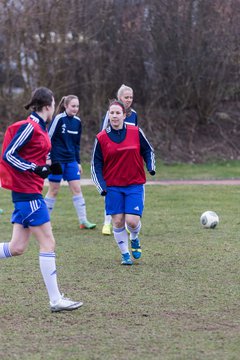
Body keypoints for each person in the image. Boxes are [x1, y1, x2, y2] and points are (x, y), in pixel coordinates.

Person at [0, 87, 83, 312]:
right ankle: (55, 300)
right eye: (54, 102)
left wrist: (46, 167)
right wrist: (35, 168)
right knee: (48, 243)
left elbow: (35, 155)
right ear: (48, 105)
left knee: (17, 247)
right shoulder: (30, 126)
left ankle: (56, 299)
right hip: (28, 194)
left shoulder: (41, 128)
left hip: (28, 193)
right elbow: (8, 154)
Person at [91, 99, 155, 265]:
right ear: (108, 115)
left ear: (124, 115)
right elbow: (95, 165)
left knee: (132, 221)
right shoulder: (101, 138)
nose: (114, 116)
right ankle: (125, 254)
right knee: (118, 221)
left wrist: (150, 166)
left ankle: (134, 237)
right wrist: (102, 187)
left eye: (117, 113)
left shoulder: (136, 131)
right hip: (113, 186)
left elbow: (148, 150)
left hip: (134, 184)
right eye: (111, 113)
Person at [44, 95, 96, 230]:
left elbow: (76, 144)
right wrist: (48, 158)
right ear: (66, 106)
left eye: (77, 106)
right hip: (57, 161)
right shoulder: (59, 119)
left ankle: (83, 221)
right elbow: (48, 138)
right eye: (73, 106)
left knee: (77, 189)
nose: (75, 109)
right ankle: (43, 221)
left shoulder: (78, 122)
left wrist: (78, 162)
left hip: (71, 161)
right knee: (54, 190)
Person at [101, 84, 138, 235]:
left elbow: (136, 136)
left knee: (127, 191)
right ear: (119, 98)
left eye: (131, 97)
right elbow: (103, 135)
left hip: (127, 162)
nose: (129, 100)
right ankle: (106, 223)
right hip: (112, 160)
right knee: (111, 191)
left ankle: (128, 224)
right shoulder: (112, 113)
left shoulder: (134, 114)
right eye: (126, 97)